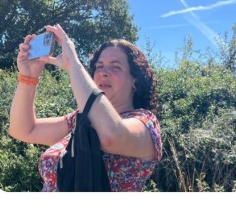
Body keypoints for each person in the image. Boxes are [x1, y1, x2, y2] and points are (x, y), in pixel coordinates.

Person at [8, 24, 162, 192]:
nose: (103, 72)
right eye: (99, 66)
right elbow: (23, 130)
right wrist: (28, 77)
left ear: (136, 80)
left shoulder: (147, 123)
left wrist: (73, 63)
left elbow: (109, 136)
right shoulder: (79, 119)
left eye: (115, 66)